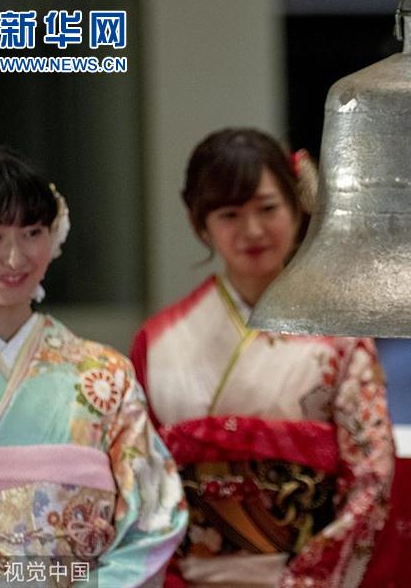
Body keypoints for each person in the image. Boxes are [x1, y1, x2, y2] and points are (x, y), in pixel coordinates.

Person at [130, 128, 395, 587]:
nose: (252, 230)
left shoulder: (340, 339)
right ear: (200, 223)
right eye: (229, 214)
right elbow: (139, 477)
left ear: (297, 204)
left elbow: (371, 475)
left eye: (267, 208)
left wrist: (310, 577)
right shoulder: (158, 341)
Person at [0, 144, 187, 586]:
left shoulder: (104, 376)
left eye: (32, 231)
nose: (15, 257)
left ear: (54, 235)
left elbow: (157, 513)